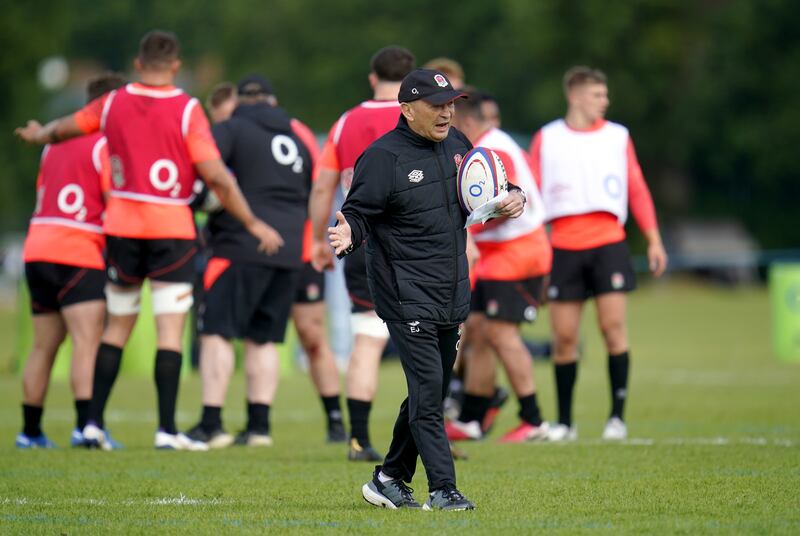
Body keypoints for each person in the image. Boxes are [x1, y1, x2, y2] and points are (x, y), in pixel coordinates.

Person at [16, 30, 280, 451]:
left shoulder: (112, 102)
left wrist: (37, 134)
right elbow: (215, 176)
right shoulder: (187, 109)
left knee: (117, 326)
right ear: (176, 66)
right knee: (169, 333)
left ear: (139, 64)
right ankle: (166, 430)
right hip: (170, 231)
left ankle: (92, 426)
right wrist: (252, 223)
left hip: (122, 230)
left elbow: (65, 128)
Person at [329, 68, 526, 511]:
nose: (447, 112)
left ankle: (389, 477)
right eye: (437, 105)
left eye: (451, 103)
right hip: (404, 292)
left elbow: (487, 188)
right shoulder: (382, 158)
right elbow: (357, 213)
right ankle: (444, 489)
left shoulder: (458, 145)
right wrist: (348, 235)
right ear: (406, 110)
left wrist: (513, 196)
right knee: (428, 389)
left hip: (451, 288)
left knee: (429, 390)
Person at [186, 74, 339, 447]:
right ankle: (259, 427)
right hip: (289, 249)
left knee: (216, 332)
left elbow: (208, 172)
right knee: (264, 339)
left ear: (240, 100)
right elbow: (316, 188)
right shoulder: (296, 132)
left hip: (241, 244)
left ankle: (211, 423)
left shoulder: (231, 127)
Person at [529, 66, 668, 441]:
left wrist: (653, 238)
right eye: (597, 95)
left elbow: (636, 187)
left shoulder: (617, 136)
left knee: (613, 329)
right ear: (575, 96)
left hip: (608, 242)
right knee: (564, 338)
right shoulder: (548, 137)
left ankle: (616, 418)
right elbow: (529, 190)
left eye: (604, 95)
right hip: (563, 246)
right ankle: (565, 423)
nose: (604, 102)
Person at [309, 45, 415, 461]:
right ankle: (432, 433)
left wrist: (320, 238)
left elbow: (323, 187)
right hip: (416, 243)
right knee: (429, 341)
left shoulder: (346, 122)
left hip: (362, 239)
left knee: (367, 342)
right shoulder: (417, 114)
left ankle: (359, 439)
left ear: (373, 77)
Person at [15, 73, 126, 449]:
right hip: (78, 249)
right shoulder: (103, 145)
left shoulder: (52, 146)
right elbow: (114, 202)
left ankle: (29, 432)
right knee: (86, 341)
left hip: (37, 248)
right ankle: (85, 427)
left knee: (43, 346)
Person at [446, 89, 551, 443]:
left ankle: (534, 420)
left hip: (518, 252)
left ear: (468, 121)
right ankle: (473, 417)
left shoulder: (491, 152)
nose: (449, 126)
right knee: (477, 331)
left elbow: (503, 207)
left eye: (453, 119)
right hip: (497, 256)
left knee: (502, 335)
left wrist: (457, 222)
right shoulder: (492, 145)